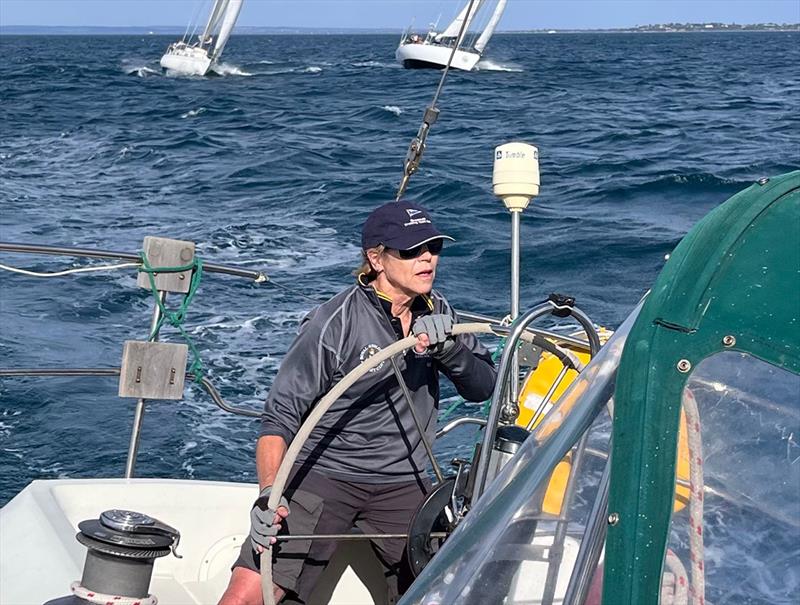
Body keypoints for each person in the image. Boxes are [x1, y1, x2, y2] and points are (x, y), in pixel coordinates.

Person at [219, 200, 497, 605]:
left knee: (450, 588)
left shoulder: (442, 313)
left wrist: (449, 349)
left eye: (434, 248)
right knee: (247, 594)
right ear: (376, 259)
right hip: (325, 476)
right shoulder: (334, 322)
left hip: (404, 481)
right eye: (411, 250)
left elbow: (483, 386)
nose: (427, 258)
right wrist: (268, 496)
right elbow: (279, 417)